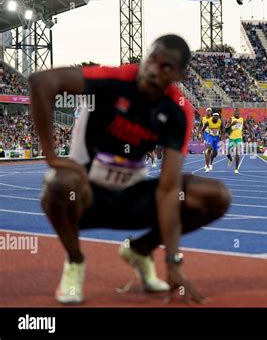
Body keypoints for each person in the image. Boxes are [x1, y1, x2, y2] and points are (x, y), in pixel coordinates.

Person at [29, 34, 231, 305]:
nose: (152, 70)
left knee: (215, 195)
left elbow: (169, 188)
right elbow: (42, 81)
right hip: (86, 195)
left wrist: (173, 262)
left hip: (133, 199)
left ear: (180, 75)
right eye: (152, 59)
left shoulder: (177, 111)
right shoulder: (114, 80)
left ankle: (140, 250)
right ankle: (75, 260)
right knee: (57, 184)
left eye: (165, 67)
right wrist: (52, 156)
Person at [226, 108, 249, 174]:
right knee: (228, 153)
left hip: (239, 138)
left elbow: (247, 127)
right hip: (232, 138)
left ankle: (236, 169)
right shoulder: (231, 119)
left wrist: (246, 130)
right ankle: (230, 159)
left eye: (237, 112)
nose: (236, 113)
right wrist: (232, 124)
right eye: (235, 112)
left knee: (237, 153)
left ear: (239, 113)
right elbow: (226, 129)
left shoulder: (242, 119)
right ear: (233, 113)